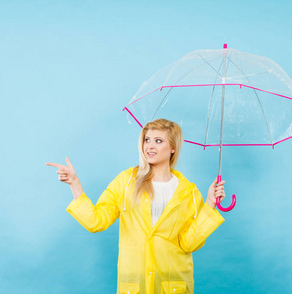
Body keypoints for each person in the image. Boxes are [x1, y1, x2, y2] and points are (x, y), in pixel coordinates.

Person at [46, 118, 226, 294]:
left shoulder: (189, 191)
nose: (150, 146)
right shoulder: (126, 181)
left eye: (158, 141)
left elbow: (189, 243)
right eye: (147, 140)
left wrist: (210, 203)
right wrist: (74, 183)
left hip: (172, 285)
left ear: (172, 148)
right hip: (135, 286)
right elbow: (96, 221)